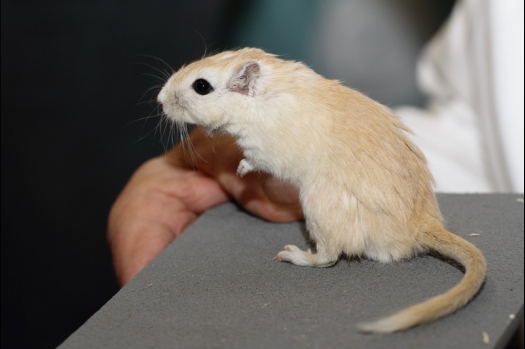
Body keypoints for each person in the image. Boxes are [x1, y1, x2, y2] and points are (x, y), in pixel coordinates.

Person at [108, 0, 523, 287]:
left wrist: (257, 159)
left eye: (199, 88)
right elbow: (477, 120)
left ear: (247, 84)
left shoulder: (275, 110)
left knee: (318, 187)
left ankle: (325, 253)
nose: (165, 101)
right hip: (439, 211)